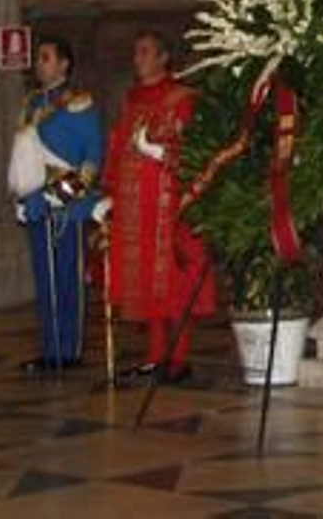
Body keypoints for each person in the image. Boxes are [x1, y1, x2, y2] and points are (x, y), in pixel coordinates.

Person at [102, 31, 216, 385]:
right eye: (136, 52)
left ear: (163, 58)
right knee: (146, 283)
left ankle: (178, 360)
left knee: (173, 283)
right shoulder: (132, 101)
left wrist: (160, 152)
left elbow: (195, 153)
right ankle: (154, 357)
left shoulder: (182, 99)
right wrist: (110, 194)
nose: (137, 58)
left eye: (145, 51)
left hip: (170, 209)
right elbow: (118, 149)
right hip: (137, 208)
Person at [7, 35, 105, 373]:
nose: (39, 63)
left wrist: (57, 194)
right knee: (45, 279)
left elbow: (91, 162)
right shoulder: (32, 103)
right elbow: (25, 159)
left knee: (67, 279)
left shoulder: (79, 102)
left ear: (64, 63)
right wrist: (24, 196)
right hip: (36, 204)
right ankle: (50, 350)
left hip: (68, 206)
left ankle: (70, 350)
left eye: (46, 57)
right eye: (38, 57)